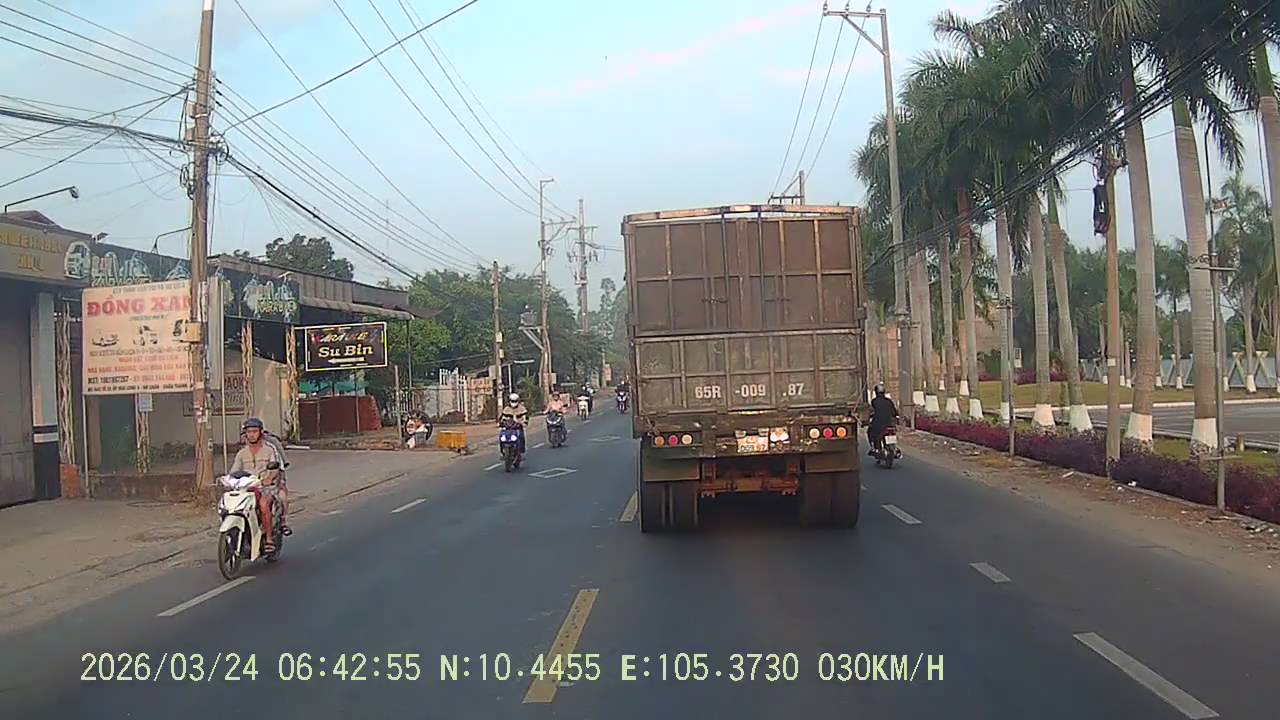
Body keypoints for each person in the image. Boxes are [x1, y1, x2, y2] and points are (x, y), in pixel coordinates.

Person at [229, 418, 285, 552]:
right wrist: (228, 480)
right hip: (247, 488)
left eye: (254, 431)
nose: (251, 435)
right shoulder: (242, 453)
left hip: (266, 487)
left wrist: (269, 478)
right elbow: (234, 471)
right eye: (249, 432)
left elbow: (275, 469)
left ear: (260, 432)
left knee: (264, 505)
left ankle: (269, 539)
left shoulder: (269, 450)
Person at [867, 384, 899, 456]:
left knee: (870, 432)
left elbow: (871, 411)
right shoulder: (889, 401)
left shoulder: (874, 401)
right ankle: (893, 448)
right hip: (889, 424)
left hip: (878, 424)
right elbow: (895, 412)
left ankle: (874, 448)